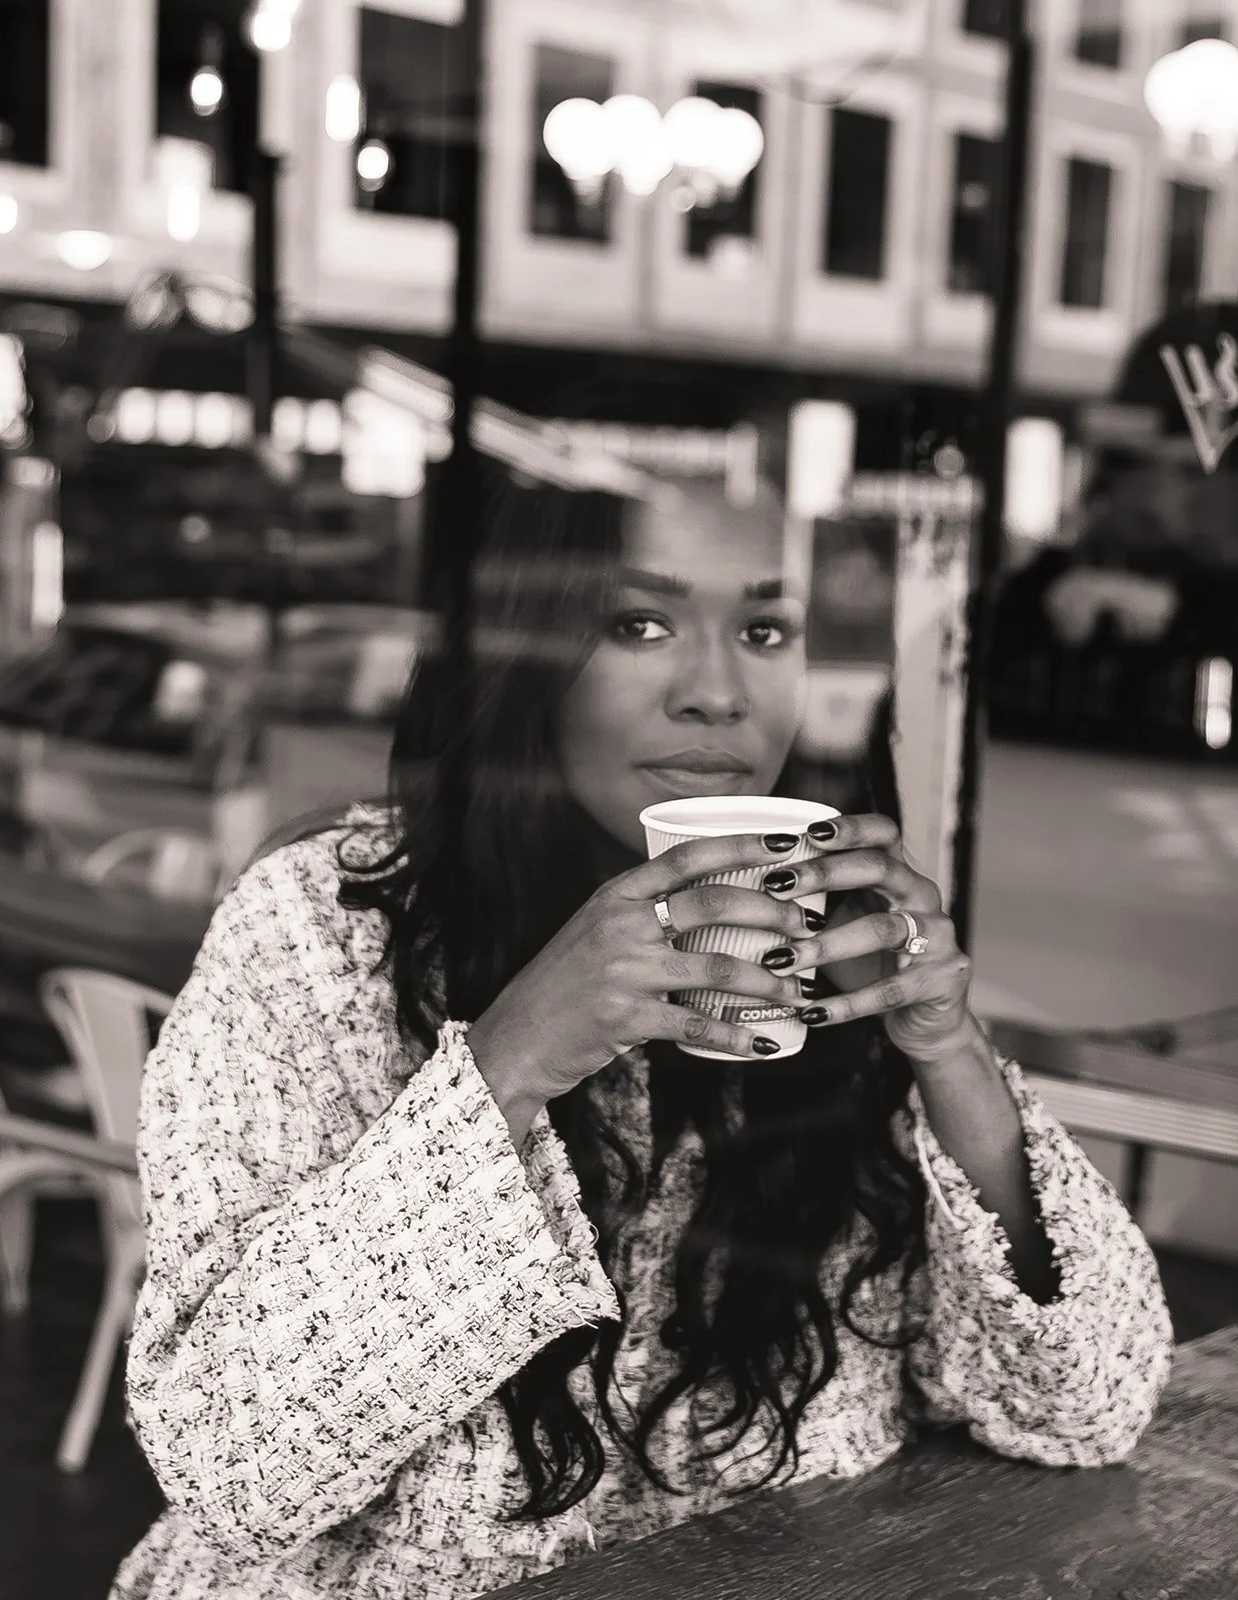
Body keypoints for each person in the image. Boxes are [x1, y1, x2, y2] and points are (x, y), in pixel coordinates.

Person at [112, 470, 1173, 1600]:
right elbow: (224, 1458)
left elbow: (1088, 1409)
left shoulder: (841, 954)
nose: (718, 690)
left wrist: (949, 1054)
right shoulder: (327, 928)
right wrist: (515, 1058)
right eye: (640, 623)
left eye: (766, 628)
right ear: (524, 658)